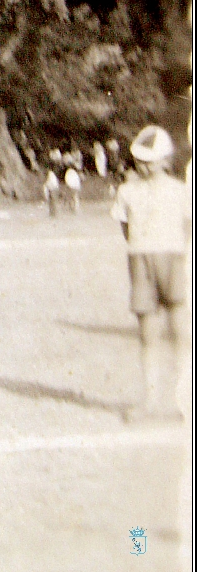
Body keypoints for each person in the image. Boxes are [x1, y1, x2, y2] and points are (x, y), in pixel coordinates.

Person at [111, 125, 191, 422]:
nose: (143, 166)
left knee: (182, 331)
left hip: (172, 260)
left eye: (150, 160)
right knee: (148, 335)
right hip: (140, 260)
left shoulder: (181, 190)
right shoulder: (126, 191)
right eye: (139, 161)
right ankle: (150, 400)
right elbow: (125, 227)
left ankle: (185, 400)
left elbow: (187, 226)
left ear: (166, 161)